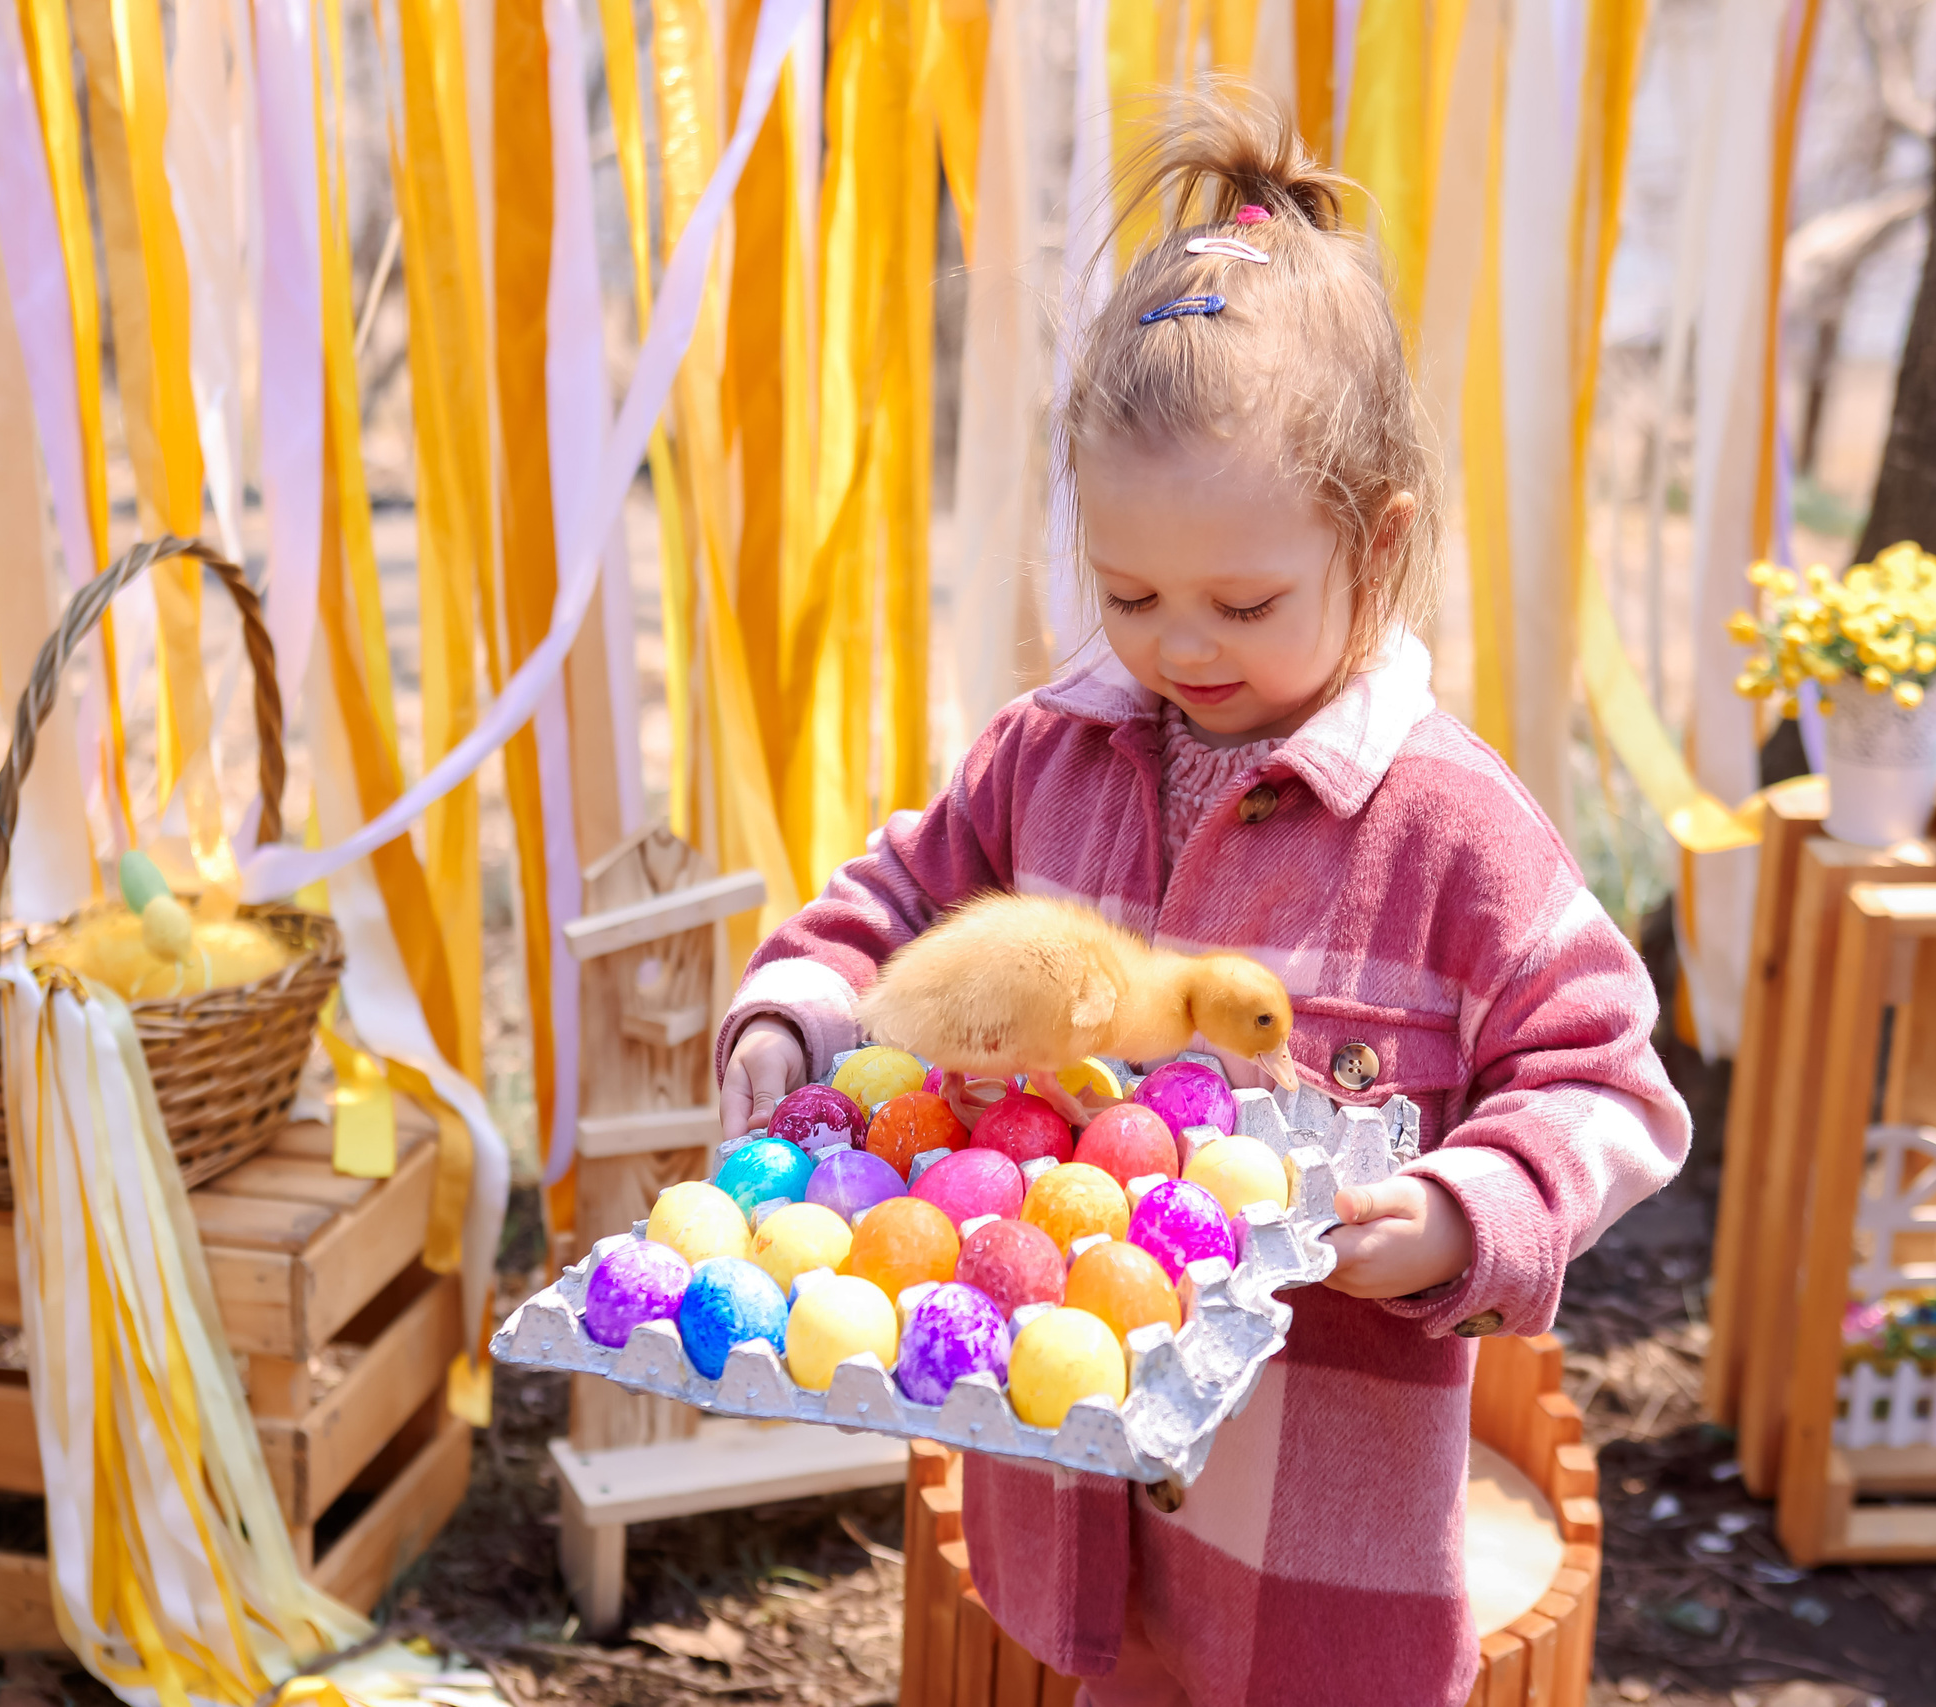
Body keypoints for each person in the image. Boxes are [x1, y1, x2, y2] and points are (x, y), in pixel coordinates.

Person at [712, 91, 1688, 1707]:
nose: (1179, 646)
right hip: (1081, 1504)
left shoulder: (1448, 828)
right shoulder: (1054, 755)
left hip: (1315, 1546)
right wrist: (800, 1003)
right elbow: (894, 897)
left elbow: (1607, 1076)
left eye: (1243, 599)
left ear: (1373, 552)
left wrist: (1466, 1214)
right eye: (1129, 593)